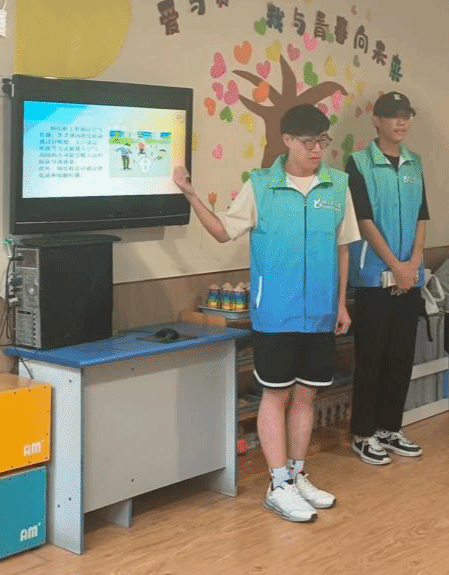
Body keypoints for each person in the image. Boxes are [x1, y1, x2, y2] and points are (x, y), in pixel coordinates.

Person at [173, 104, 360, 523]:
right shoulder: (260, 186)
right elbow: (223, 232)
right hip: (276, 313)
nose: (316, 150)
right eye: (308, 142)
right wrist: (191, 195)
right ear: (287, 140)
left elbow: (343, 247)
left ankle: (296, 474)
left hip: (320, 313)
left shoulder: (337, 185)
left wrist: (340, 303)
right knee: (276, 395)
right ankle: (277, 484)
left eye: (322, 141)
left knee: (308, 395)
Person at [346, 91, 429, 465]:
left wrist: (413, 264)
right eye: (393, 116)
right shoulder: (359, 163)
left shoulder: (414, 162)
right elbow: (363, 220)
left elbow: (422, 216)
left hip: (409, 276)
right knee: (372, 358)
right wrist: (395, 266)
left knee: (401, 357)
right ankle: (363, 433)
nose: (401, 122)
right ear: (376, 120)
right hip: (373, 277)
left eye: (406, 115)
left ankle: (389, 428)